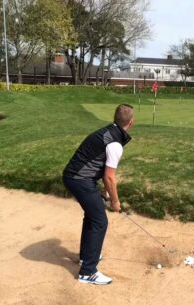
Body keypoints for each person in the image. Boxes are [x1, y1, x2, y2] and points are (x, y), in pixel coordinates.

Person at [62, 104, 134, 285]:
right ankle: (88, 272)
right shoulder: (116, 144)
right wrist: (115, 201)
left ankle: (86, 256)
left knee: (92, 216)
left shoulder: (107, 131)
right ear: (131, 123)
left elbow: (100, 168)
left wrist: (105, 193)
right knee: (100, 221)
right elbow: (109, 177)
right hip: (80, 180)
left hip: (74, 177)